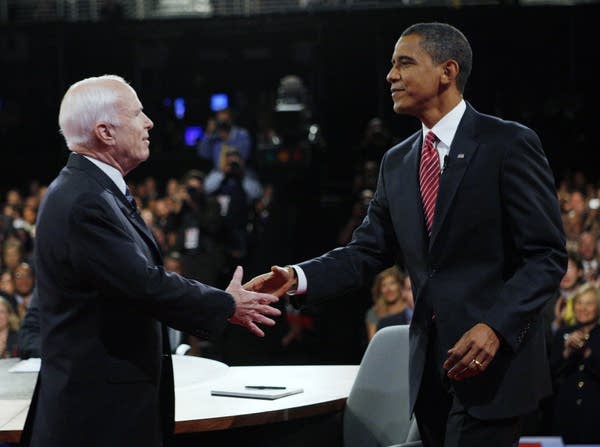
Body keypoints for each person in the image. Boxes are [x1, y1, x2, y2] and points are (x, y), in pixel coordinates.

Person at [245, 22, 567, 447]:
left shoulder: (507, 144)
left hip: (495, 369)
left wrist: (495, 326)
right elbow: (366, 251)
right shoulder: (397, 162)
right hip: (430, 375)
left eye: (404, 63)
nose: (390, 76)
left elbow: (545, 255)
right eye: (391, 65)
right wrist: (297, 276)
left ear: (446, 71)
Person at [19, 75, 280, 447]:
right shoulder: (84, 200)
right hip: (98, 419)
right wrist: (225, 304)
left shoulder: (93, 189)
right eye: (137, 113)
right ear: (105, 132)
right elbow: (144, 283)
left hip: (109, 408)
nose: (149, 122)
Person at [550, 282, 600, 444]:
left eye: (589, 303)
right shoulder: (563, 333)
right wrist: (567, 352)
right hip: (566, 409)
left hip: (595, 411)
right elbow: (550, 373)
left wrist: (587, 353)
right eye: (579, 302)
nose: (583, 308)